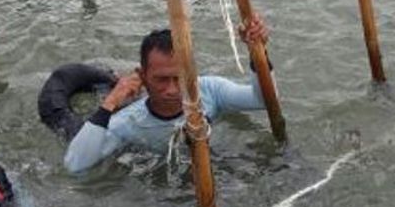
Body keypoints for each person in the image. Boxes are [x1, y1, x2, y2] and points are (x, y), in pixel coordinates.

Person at [63, 15, 273, 174]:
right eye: (161, 80)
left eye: (179, 78)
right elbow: (75, 166)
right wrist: (110, 102)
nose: (172, 90)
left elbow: (262, 100)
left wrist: (258, 52)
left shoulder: (210, 89)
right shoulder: (128, 123)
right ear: (143, 77)